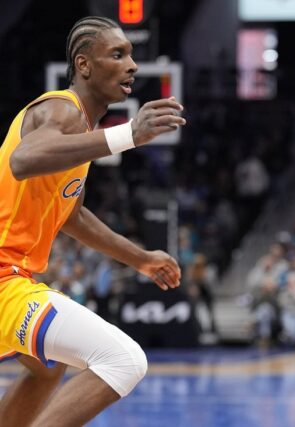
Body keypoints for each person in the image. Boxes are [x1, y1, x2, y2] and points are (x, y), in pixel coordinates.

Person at [0, 16, 186, 426]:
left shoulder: (79, 132)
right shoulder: (61, 109)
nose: (132, 65)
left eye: (131, 55)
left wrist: (140, 258)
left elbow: (73, 216)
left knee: (47, 367)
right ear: (84, 65)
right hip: (3, 278)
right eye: (117, 55)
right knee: (124, 360)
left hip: (13, 277)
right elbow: (23, 160)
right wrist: (128, 135)